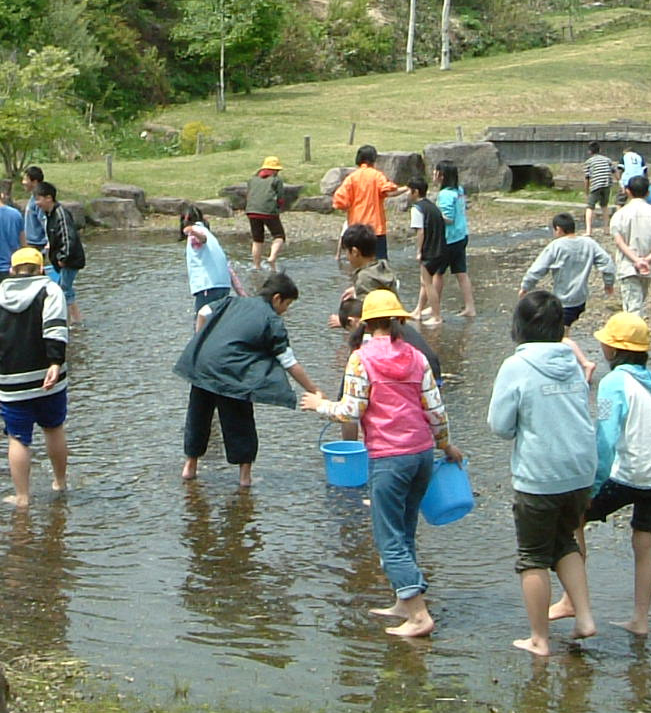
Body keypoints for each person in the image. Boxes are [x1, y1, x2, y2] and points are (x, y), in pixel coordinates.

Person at [302, 290, 460, 638]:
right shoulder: (416, 357)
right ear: (398, 320)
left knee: (387, 536)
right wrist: (446, 445)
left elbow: (351, 411)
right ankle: (404, 601)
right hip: (421, 456)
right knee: (404, 531)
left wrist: (319, 405)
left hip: (389, 457)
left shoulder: (361, 359)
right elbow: (435, 409)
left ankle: (419, 614)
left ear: (366, 323)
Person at [548, 312, 651, 637]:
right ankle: (640, 620)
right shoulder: (649, 380)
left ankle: (571, 600)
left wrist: (593, 485)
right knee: (644, 542)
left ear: (613, 350)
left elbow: (606, 436)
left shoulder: (612, 383)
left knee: (573, 518)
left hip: (631, 473)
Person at [487, 290, 597, 656]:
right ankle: (584, 617)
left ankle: (539, 638)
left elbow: (500, 425)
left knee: (532, 556)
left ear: (519, 326)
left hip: (540, 474)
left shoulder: (516, 366)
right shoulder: (572, 359)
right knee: (564, 540)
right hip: (580, 471)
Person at [174, 273, 322, 487]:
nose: (286, 310)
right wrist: (314, 390)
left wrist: (201, 339)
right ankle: (245, 477)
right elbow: (288, 362)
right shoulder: (271, 320)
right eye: (287, 304)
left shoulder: (232, 302)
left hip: (202, 367)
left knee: (198, 416)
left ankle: (190, 467)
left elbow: (203, 312)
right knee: (240, 421)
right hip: (231, 374)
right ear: (277, 298)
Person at [0, 246, 69, 509]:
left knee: (18, 438)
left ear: (11, 271)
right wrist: (55, 362)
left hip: (10, 383)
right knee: (54, 428)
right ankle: (60, 483)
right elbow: (55, 327)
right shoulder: (50, 290)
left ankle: (22, 498)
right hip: (47, 379)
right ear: (41, 269)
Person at [520, 212, 616, 353]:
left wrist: (525, 286)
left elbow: (537, 269)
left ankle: (577, 361)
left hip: (563, 299)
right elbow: (607, 264)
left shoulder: (556, 246)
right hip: (581, 298)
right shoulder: (589, 243)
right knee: (563, 329)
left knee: (561, 335)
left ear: (558, 229)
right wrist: (608, 283)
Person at [331, 145, 406, 260]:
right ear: (373, 159)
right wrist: (406, 188)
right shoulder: (377, 175)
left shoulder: (351, 178)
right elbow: (390, 190)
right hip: (375, 229)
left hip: (356, 229)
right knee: (379, 266)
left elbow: (339, 201)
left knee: (357, 266)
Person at [610, 175, 651, 317]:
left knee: (632, 307)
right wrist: (647, 259)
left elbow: (619, 242)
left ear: (627, 191)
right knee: (638, 300)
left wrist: (636, 260)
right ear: (648, 192)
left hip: (628, 266)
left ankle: (634, 336)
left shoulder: (620, 215)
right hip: (649, 266)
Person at [33, 181, 85, 326]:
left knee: (63, 291)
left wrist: (63, 257)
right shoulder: (49, 214)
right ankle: (76, 320)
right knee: (66, 289)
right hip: (61, 259)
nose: (37, 203)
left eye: (39, 199)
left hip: (70, 260)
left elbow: (69, 237)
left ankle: (68, 324)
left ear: (49, 198)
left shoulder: (60, 214)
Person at [434, 162, 476, 318]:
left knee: (437, 274)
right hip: (461, 236)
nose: (433, 174)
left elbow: (448, 219)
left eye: (435, 172)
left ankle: (434, 306)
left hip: (448, 239)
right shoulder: (459, 190)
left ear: (441, 176)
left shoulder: (444, 194)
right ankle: (470, 307)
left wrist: (433, 214)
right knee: (461, 273)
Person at [180, 205, 234, 319]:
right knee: (217, 324)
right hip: (223, 285)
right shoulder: (210, 234)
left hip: (208, 287)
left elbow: (202, 239)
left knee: (201, 325)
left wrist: (192, 232)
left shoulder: (196, 233)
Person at [406, 177, 447, 325]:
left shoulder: (417, 208)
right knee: (424, 281)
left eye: (409, 191)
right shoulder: (432, 206)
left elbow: (421, 232)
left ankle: (436, 316)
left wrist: (419, 251)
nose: (407, 194)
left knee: (428, 283)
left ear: (415, 192)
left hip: (430, 251)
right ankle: (418, 311)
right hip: (441, 248)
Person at [246, 156, 286, 271]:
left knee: (257, 239)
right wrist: (278, 208)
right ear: (274, 170)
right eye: (277, 170)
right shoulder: (276, 180)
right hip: (268, 212)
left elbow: (249, 195)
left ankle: (257, 266)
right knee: (279, 236)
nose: (278, 172)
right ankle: (272, 258)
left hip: (251, 211)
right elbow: (280, 198)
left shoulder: (252, 179)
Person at [583, 142, 613, 237]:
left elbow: (587, 178)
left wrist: (587, 191)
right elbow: (614, 171)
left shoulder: (589, 162)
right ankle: (606, 229)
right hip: (607, 184)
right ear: (600, 150)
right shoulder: (607, 160)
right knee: (604, 206)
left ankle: (588, 231)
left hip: (596, 185)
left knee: (590, 207)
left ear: (589, 151)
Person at [18, 166, 48, 256]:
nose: (23, 182)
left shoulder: (39, 201)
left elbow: (45, 221)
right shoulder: (33, 198)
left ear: (34, 182)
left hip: (38, 246)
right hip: (29, 244)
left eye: (25, 179)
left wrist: (48, 243)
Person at [615, 145, 647, 209]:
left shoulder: (625, 157)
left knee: (620, 200)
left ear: (626, 152)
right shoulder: (639, 157)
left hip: (627, 180)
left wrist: (620, 181)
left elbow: (620, 170)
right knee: (637, 199)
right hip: (639, 181)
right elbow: (645, 171)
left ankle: (619, 213)